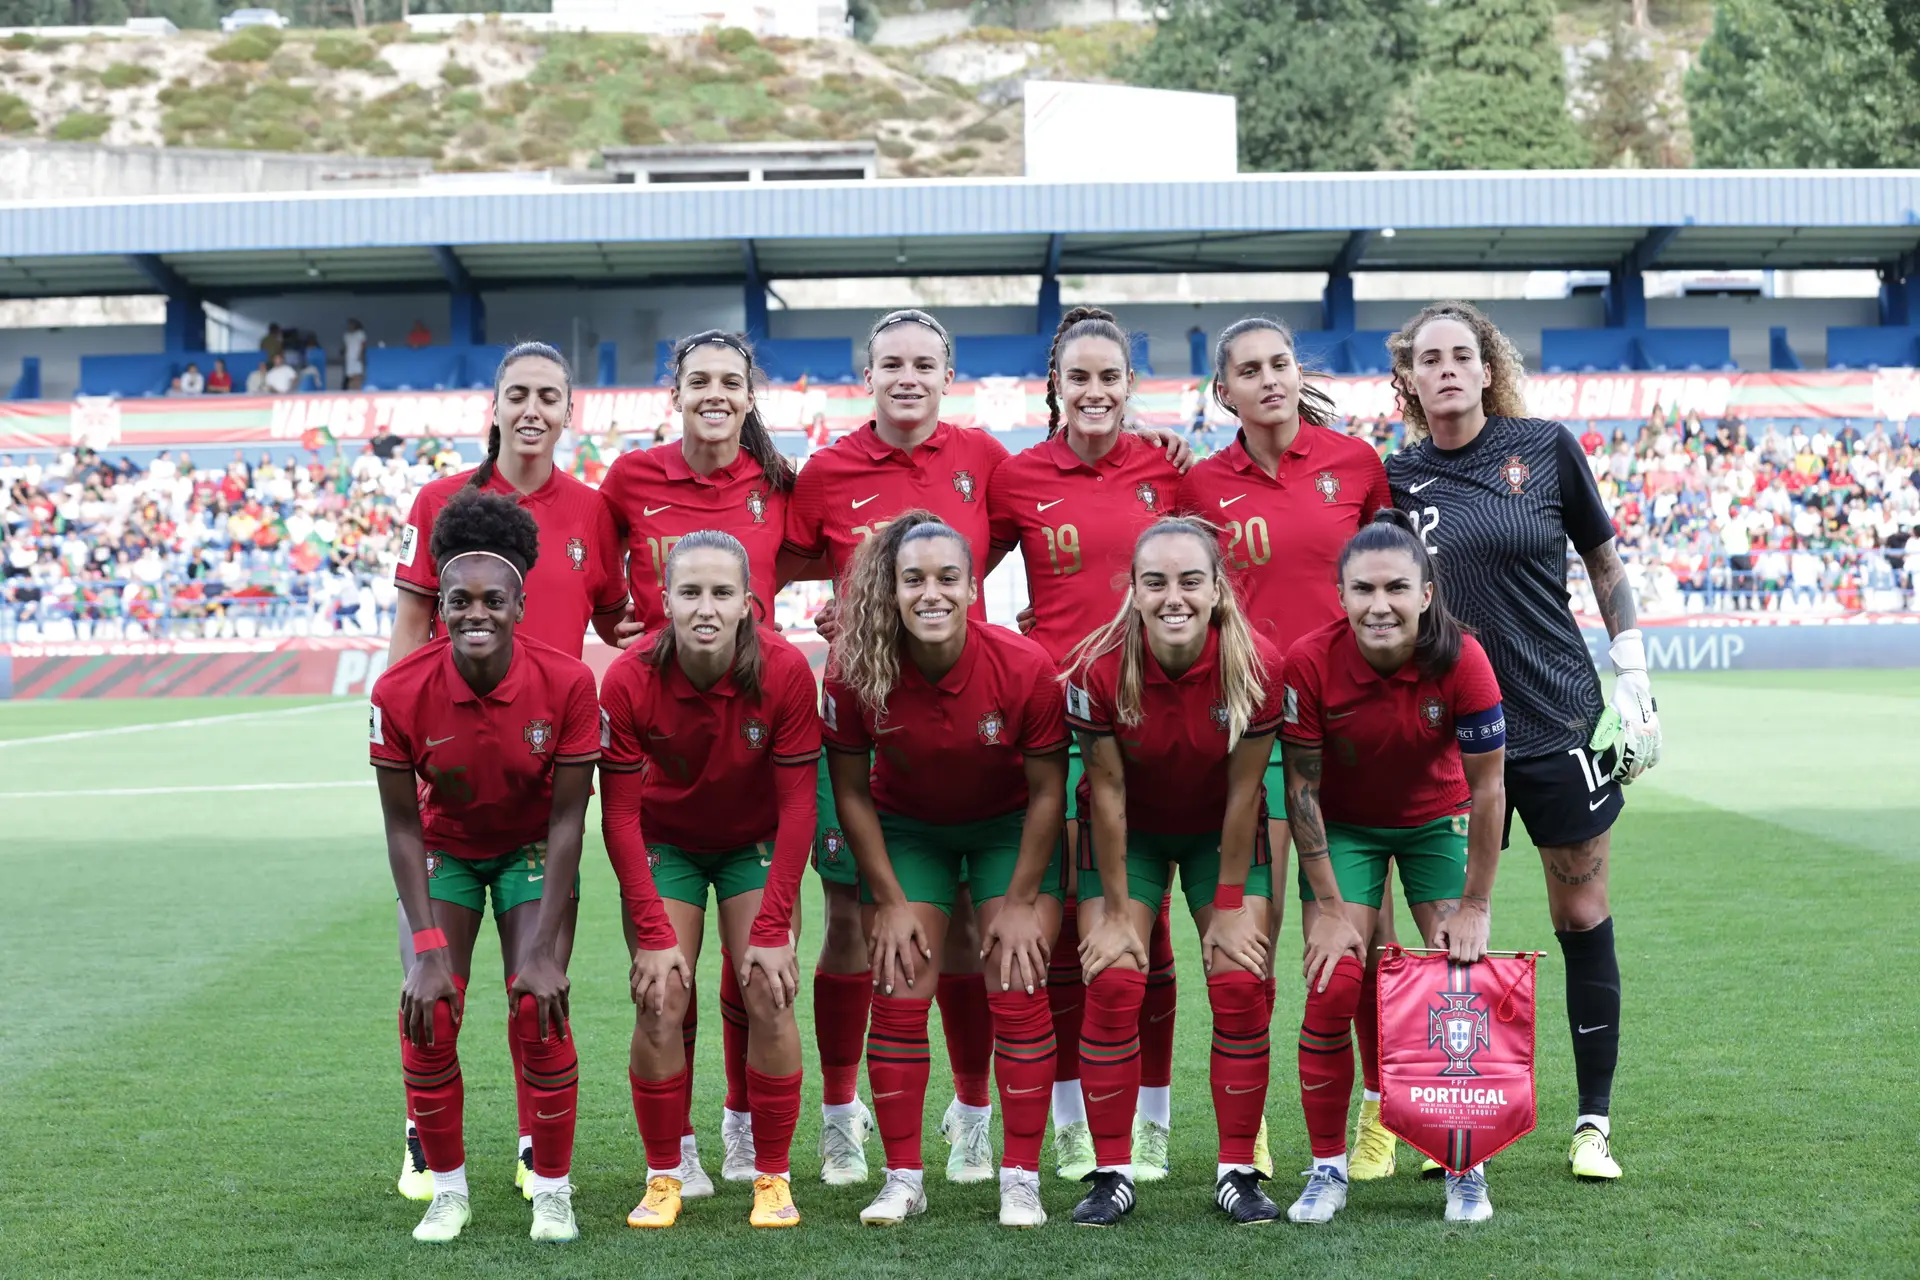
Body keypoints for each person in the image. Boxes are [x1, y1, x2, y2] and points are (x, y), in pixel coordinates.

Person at [1385, 300, 1662, 1183]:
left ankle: (1592, 1124)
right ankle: (1459, 1124)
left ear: (1487, 365)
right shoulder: (1395, 479)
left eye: (1462, 354)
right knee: (1450, 933)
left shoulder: (1545, 448)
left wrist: (1634, 671)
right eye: (1429, 359)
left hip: (1557, 722)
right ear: (1411, 378)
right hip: (1449, 741)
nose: (1447, 370)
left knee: (1580, 912)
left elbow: (1605, 562)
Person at [386, 342, 634, 1205]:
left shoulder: (596, 513)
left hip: (550, 776)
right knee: (432, 982)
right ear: (493, 405)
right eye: (517, 393)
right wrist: (400, 732)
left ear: (571, 412)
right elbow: (412, 627)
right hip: (451, 775)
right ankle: (425, 1137)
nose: (533, 408)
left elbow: (619, 623)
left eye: (549, 396)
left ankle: (537, 1144)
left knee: (539, 982)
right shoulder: (440, 502)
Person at [1178, 316, 1391, 1177]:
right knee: (1250, 943)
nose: (1270, 380)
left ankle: (1381, 1109)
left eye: (1282, 364)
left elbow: (1401, 592)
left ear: (1300, 374)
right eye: (1249, 370)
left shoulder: (1357, 466)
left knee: (1357, 943)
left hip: (1352, 736)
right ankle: (1250, 1127)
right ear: (1222, 390)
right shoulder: (1198, 486)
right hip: (1251, 737)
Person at [598, 330, 808, 1189]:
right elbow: (578, 547)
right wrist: (619, 612)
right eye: (698, 380)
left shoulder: (785, 485)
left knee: (759, 978)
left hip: (754, 739)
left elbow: (860, 551)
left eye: (731, 381)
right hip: (668, 749)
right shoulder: (629, 480)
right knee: (664, 985)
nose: (715, 393)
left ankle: (750, 1138)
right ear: (673, 393)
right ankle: (672, 1150)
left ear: (750, 396)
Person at [821, 513, 1068, 1228]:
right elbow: (850, 791)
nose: (931, 594)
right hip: (909, 833)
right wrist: (890, 900)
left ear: (973, 587)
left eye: (947, 579)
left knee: (1018, 981)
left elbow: (1050, 790)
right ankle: (903, 1177)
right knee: (898, 983)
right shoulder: (855, 666)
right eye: (913, 580)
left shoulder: (1023, 666)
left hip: (1006, 829)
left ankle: (1019, 1177)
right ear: (891, 589)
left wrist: (1021, 901)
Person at [370, 488, 599, 1244]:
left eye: (493, 600)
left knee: (538, 1005)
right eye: (458, 599)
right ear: (438, 604)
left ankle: (553, 1192)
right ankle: (448, 1192)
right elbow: (402, 827)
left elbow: (569, 817)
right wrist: (430, 952)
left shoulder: (567, 683)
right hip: (445, 852)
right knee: (429, 1013)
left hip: (534, 848)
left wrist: (540, 950)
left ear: (520, 603)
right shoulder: (399, 691)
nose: (476, 613)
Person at [988, 305, 1185, 1183]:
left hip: (1154, 726)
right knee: (1067, 931)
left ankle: (1153, 1118)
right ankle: (1070, 1117)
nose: (1096, 391)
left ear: (1129, 387)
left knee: (1153, 932)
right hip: (1056, 727)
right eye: (1080, 377)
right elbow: (947, 572)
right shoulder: (1019, 477)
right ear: (1056, 388)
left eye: (1111, 376)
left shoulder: (1170, 472)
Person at [1279, 509, 1508, 1225]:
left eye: (1396, 589)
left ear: (1426, 594)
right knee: (1334, 981)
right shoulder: (1309, 663)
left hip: (1434, 823)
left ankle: (1464, 1164)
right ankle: (1326, 1171)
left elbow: (1491, 786)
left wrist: (1474, 905)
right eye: (1363, 590)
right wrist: (1325, 910)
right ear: (1340, 595)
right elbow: (1303, 792)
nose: (1380, 605)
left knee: (1457, 981)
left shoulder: (1463, 658)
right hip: (1346, 830)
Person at [1062, 516, 1284, 1228]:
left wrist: (1225, 906)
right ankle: (1110, 1173)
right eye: (1154, 582)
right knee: (1117, 975)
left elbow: (1248, 791)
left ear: (1219, 589)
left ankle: (1238, 1172)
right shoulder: (1099, 669)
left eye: (1191, 580)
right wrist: (1123, 912)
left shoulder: (1257, 665)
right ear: (1133, 590)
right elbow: (1107, 793)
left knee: (1241, 977)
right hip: (1131, 837)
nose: (1173, 596)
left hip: (1221, 830)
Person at [600, 531, 820, 1231]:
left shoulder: (785, 672)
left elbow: (797, 808)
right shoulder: (629, 676)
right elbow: (621, 817)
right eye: (689, 592)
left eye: (721, 593)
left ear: (749, 603)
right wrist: (654, 931)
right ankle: (665, 1175)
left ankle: (773, 1179)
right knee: (660, 993)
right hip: (667, 845)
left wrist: (774, 924)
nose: (705, 607)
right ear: (663, 600)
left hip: (751, 844)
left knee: (769, 986)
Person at [345, 318, 368, 391]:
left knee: (357, 374)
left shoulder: (360, 334)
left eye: (351, 324)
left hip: (357, 356)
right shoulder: (347, 335)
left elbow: (363, 344)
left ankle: (358, 390)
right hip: (349, 357)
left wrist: (360, 353)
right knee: (350, 375)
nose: (350, 326)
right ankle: (351, 390)